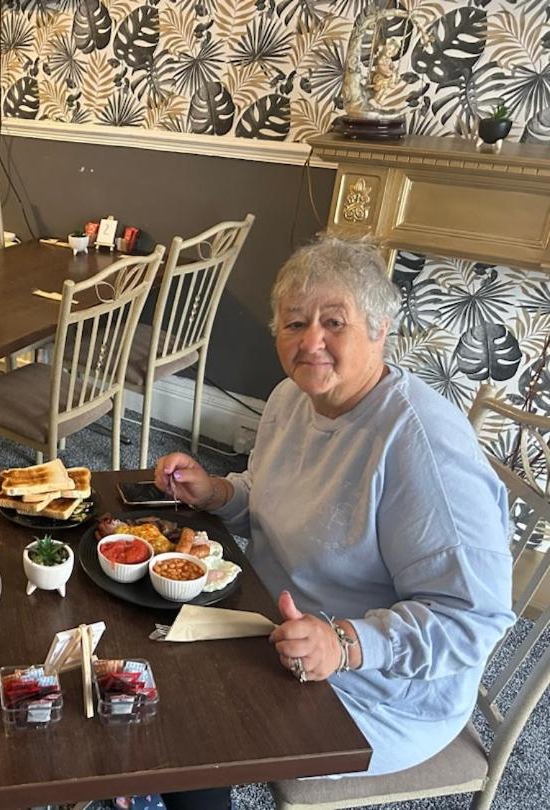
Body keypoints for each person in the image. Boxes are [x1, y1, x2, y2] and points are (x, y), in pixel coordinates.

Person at [155, 236, 514, 776]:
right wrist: (217, 493)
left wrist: (345, 644)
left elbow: (474, 619)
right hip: (274, 624)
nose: (311, 341)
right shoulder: (291, 398)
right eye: (295, 323)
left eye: (334, 322)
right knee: (148, 646)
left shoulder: (422, 446)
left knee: (196, 720)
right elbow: (270, 494)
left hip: (378, 689)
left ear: (379, 329)